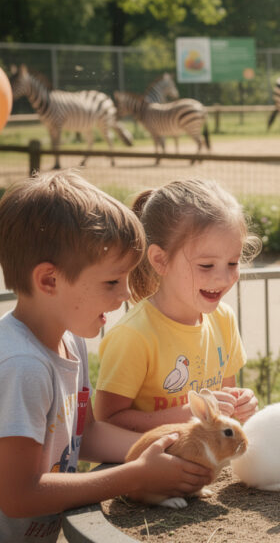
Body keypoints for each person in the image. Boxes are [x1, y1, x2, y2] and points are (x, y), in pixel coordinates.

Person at [0, 171, 212, 542]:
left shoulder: (71, 339)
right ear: (49, 280)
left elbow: (88, 433)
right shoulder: (24, 367)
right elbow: (19, 496)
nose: (125, 293)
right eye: (112, 282)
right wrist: (136, 475)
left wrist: (170, 449)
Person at [94, 178, 261, 431]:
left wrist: (240, 403)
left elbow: (225, 400)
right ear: (160, 260)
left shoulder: (223, 319)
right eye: (206, 265)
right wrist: (187, 413)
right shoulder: (133, 336)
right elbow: (105, 422)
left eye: (233, 263)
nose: (224, 278)